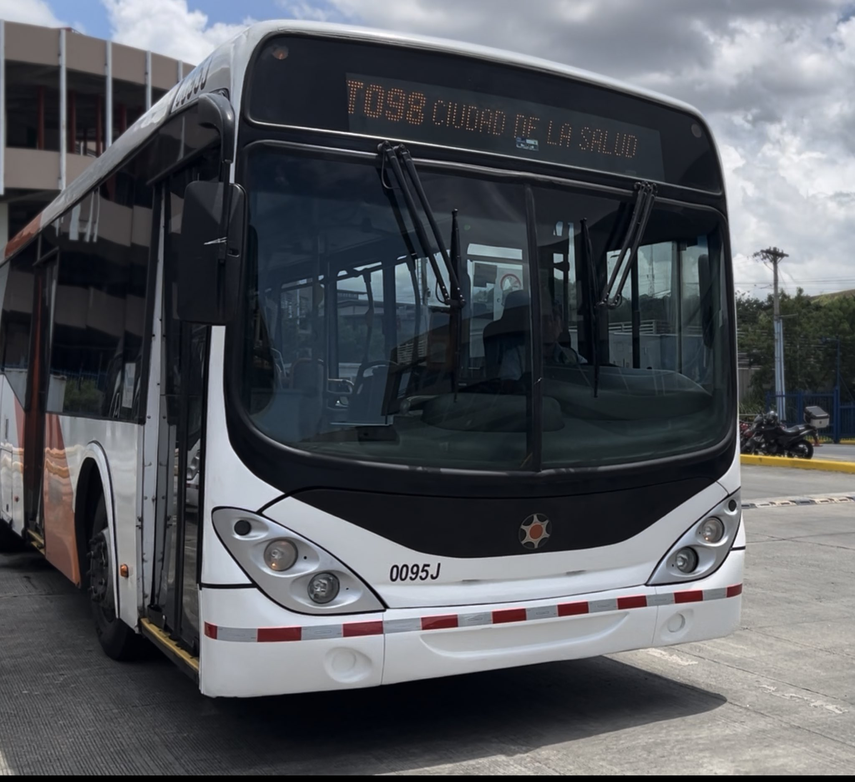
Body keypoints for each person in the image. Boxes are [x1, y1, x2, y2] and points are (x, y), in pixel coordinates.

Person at [499, 297, 584, 382]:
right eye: (543, 319)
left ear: (561, 327)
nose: (549, 325)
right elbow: (509, 386)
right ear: (532, 324)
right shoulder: (516, 357)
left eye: (553, 319)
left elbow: (588, 374)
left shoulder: (572, 356)